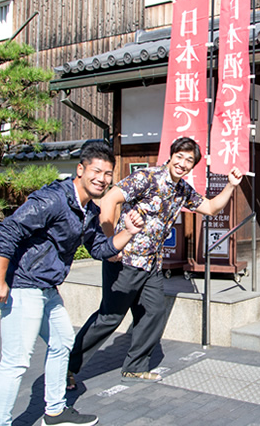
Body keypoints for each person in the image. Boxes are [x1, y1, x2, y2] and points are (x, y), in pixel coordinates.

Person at [0, 141, 145, 426]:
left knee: (62, 343)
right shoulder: (54, 199)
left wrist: (130, 232)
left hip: (48, 289)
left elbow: (101, 249)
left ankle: (55, 411)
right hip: (24, 286)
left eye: (108, 174)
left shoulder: (89, 211)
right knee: (16, 362)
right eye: (96, 171)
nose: (102, 179)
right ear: (81, 170)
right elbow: (10, 228)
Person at [68, 136, 242, 387]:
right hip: (124, 260)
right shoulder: (147, 178)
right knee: (109, 317)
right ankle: (66, 368)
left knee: (153, 312)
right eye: (179, 157)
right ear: (170, 156)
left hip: (151, 265)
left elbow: (212, 208)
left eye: (189, 160)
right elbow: (109, 200)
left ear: (192, 166)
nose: (182, 163)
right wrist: (110, 244)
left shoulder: (182, 190)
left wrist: (230, 185)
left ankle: (135, 367)